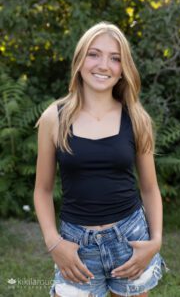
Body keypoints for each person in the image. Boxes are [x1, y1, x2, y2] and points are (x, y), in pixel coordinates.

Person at [34, 21, 169, 297]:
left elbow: (150, 188)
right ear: (80, 60)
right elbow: (42, 190)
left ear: (123, 69)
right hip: (76, 245)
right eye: (94, 54)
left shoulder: (136, 118)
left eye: (115, 58)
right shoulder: (54, 118)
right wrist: (53, 243)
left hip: (130, 240)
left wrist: (155, 241)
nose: (103, 65)